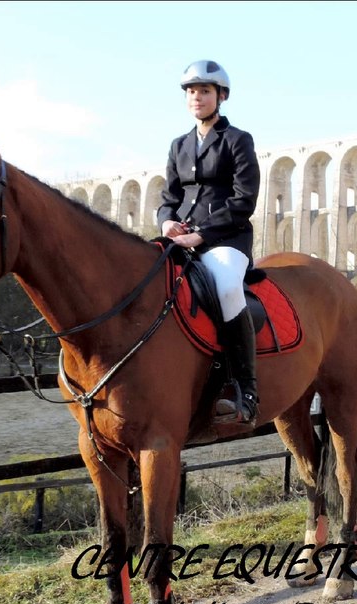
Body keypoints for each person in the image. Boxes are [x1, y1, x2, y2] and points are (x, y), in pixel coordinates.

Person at [158, 60, 262, 426]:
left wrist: (201, 234)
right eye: (191, 92)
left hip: (225, 239)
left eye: (204, 91)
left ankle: (245, 389)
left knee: (227, 286)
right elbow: (168, 197)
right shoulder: (179, 145)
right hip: (181, 237)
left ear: (221, 96)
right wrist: (167, 221)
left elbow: (243, 200)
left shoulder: (237, 140)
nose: (196, 97)